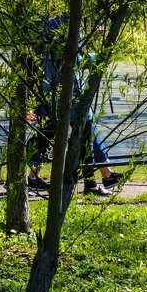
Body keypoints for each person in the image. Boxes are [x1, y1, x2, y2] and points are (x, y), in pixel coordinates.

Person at [27, 15, 120, 196]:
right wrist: (101, 55)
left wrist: (90, 38)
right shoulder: (69, 25)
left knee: (62, 133)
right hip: (68, 94)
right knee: (81, 133)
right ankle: (94, 182)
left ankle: (102, 177)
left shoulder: (50, 26)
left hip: (51, 91)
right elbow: (76, 58)